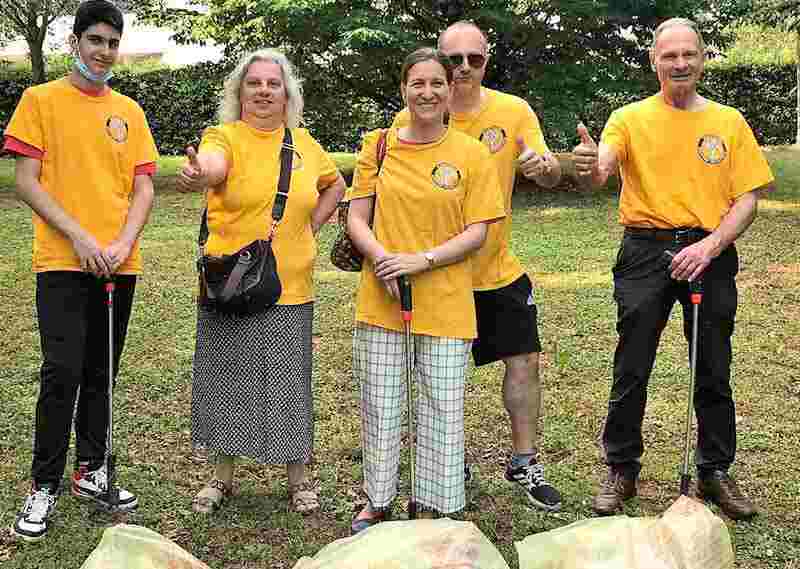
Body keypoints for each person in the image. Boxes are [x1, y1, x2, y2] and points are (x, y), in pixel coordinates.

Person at [572, 17, 774, 520]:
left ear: (702, 58)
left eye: (688, 54)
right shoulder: (628, 118)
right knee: (632, 364)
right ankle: (621, 469)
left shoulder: (729, 122)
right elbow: (602, 170)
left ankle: (714, 471)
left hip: (711, 251)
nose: (679, 63)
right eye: (669, 55)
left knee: (713, 366)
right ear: (654, 61)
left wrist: (711, 246)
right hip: (646, 251)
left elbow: (747, 199)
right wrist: (589, 166)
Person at [391, 21, 564, 511]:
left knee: (524, 362)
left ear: (487, 61)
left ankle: (525, 461)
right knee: (436, 377)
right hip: (437, 274)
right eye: (454, 60)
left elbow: (549, 170)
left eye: (475, 58)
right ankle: (451, 460)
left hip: (497, 271)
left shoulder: (513, 111)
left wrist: (545, 168)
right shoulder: (417, 113)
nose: (464, 67)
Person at [3, 0, 158, 541]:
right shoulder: (40, 100)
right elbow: (27, 182)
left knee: (101, 372)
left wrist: (122, 243)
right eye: (95, 40)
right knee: (62, 371)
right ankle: (43, 483)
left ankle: (92, 470)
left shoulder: (129, 111)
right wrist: (79, 236)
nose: (104, 52)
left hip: (118, 262)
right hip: (63, 262)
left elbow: (144, 187)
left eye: (113, 43)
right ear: (75, 42)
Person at [178, 49, 345, 516]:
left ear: (287, 94)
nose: (264, 91)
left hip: (290, 285)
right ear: (240, 92)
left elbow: (335, 185)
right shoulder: (224, 136)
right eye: (254, 83)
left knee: (288, 384)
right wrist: (200, 172)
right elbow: (213, 164)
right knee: (226, 380)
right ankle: (221, 477)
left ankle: (299, 480)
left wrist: (309, 228)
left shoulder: (305, 144)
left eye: (274, 84)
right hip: (230, 282)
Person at [348, 47, 506, 533]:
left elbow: (477, 231)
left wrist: (423, 260)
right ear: (403, 89)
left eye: (437, 83)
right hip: (382, 299)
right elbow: (357, 218)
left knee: (442, 406)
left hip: (447, 302)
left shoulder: (471, 153)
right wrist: (384, 261)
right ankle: (378, 500)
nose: (428, 92)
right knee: (381, 405)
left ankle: (435, 502)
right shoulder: (377, 146)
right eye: (417, 83)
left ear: (451, 89)